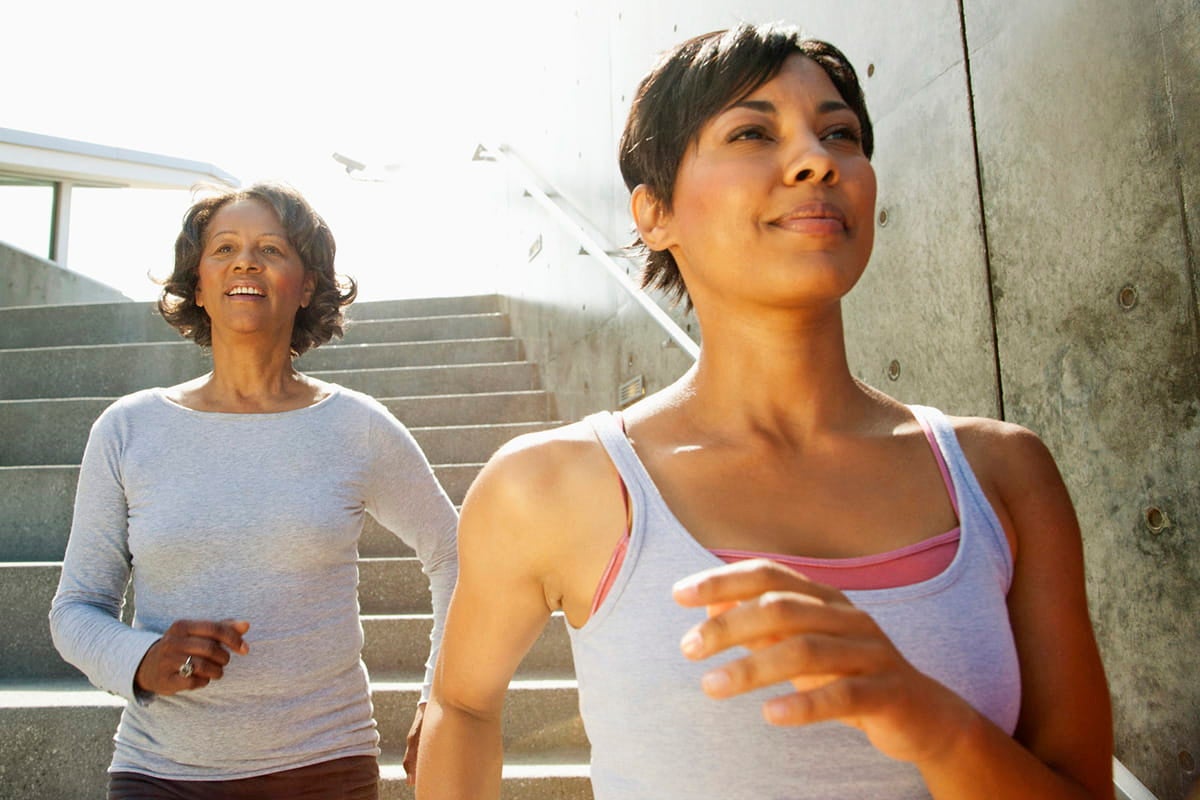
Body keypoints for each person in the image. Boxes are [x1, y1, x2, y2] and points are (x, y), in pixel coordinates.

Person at [417, 22, 1113, 800]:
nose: (817, 159)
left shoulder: (1004, 473)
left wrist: (930, 721)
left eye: (840, 133)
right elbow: (462, 703)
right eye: (752, 131)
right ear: (655, 214)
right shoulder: (548, 486)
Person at [50, 183, 458, 799]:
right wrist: (141, 659)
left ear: (308, 285)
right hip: (160, 775)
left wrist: (443, 700)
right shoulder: (127, 429)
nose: (246, 261)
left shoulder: (358, 427)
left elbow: (454, 555)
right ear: (198, 285)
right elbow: (75, 608)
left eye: (272, 248)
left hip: (325, 769)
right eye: (225, 248)